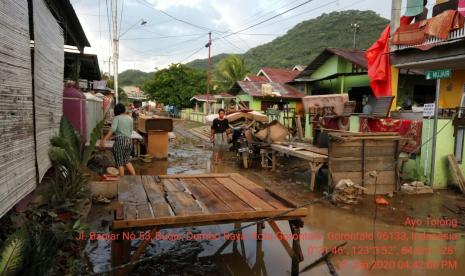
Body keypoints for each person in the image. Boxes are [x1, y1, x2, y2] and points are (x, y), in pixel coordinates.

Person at [100, 103, 136, 176]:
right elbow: (130, 131)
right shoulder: (130, 118)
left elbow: (113, 129)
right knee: (126, 161)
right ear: (123, 109)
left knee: (119, 163)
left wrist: (104, 139)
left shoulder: (117, 118)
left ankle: (121, 181)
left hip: (120, 142)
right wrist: (115, 136)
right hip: (129, 141)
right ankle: (135, 177)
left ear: (116, 110)